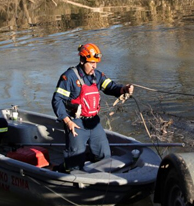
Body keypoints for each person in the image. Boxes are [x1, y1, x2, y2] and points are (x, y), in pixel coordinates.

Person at [51, 43, 134, 172]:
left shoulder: (97, 75)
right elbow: (57, 100)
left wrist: (124, 89)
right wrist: (67, 121)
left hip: (93, 122)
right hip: (76, 123)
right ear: (82, 60)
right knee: (74, 162)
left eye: (96, 63)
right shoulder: (69, 77)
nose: (94, 66)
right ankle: (62, 171)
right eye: (91, 63)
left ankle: (96, 174)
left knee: (104, 155)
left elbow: (111, 87)